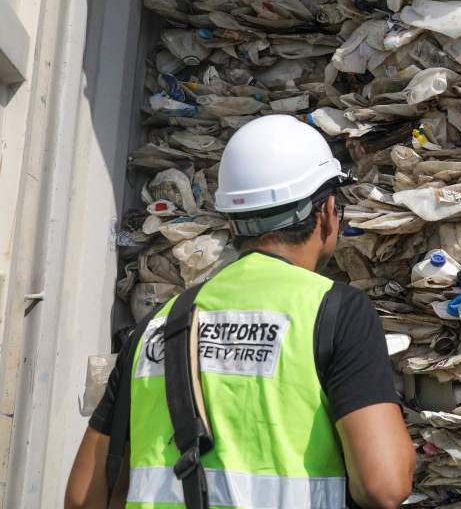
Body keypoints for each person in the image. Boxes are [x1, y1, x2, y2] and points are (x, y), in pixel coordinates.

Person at [64, 114, 416, 509]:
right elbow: (384, 486)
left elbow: (83, 497)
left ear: (231, 221)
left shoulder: (158, 325)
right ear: (327, 212)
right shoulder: (334, 311)